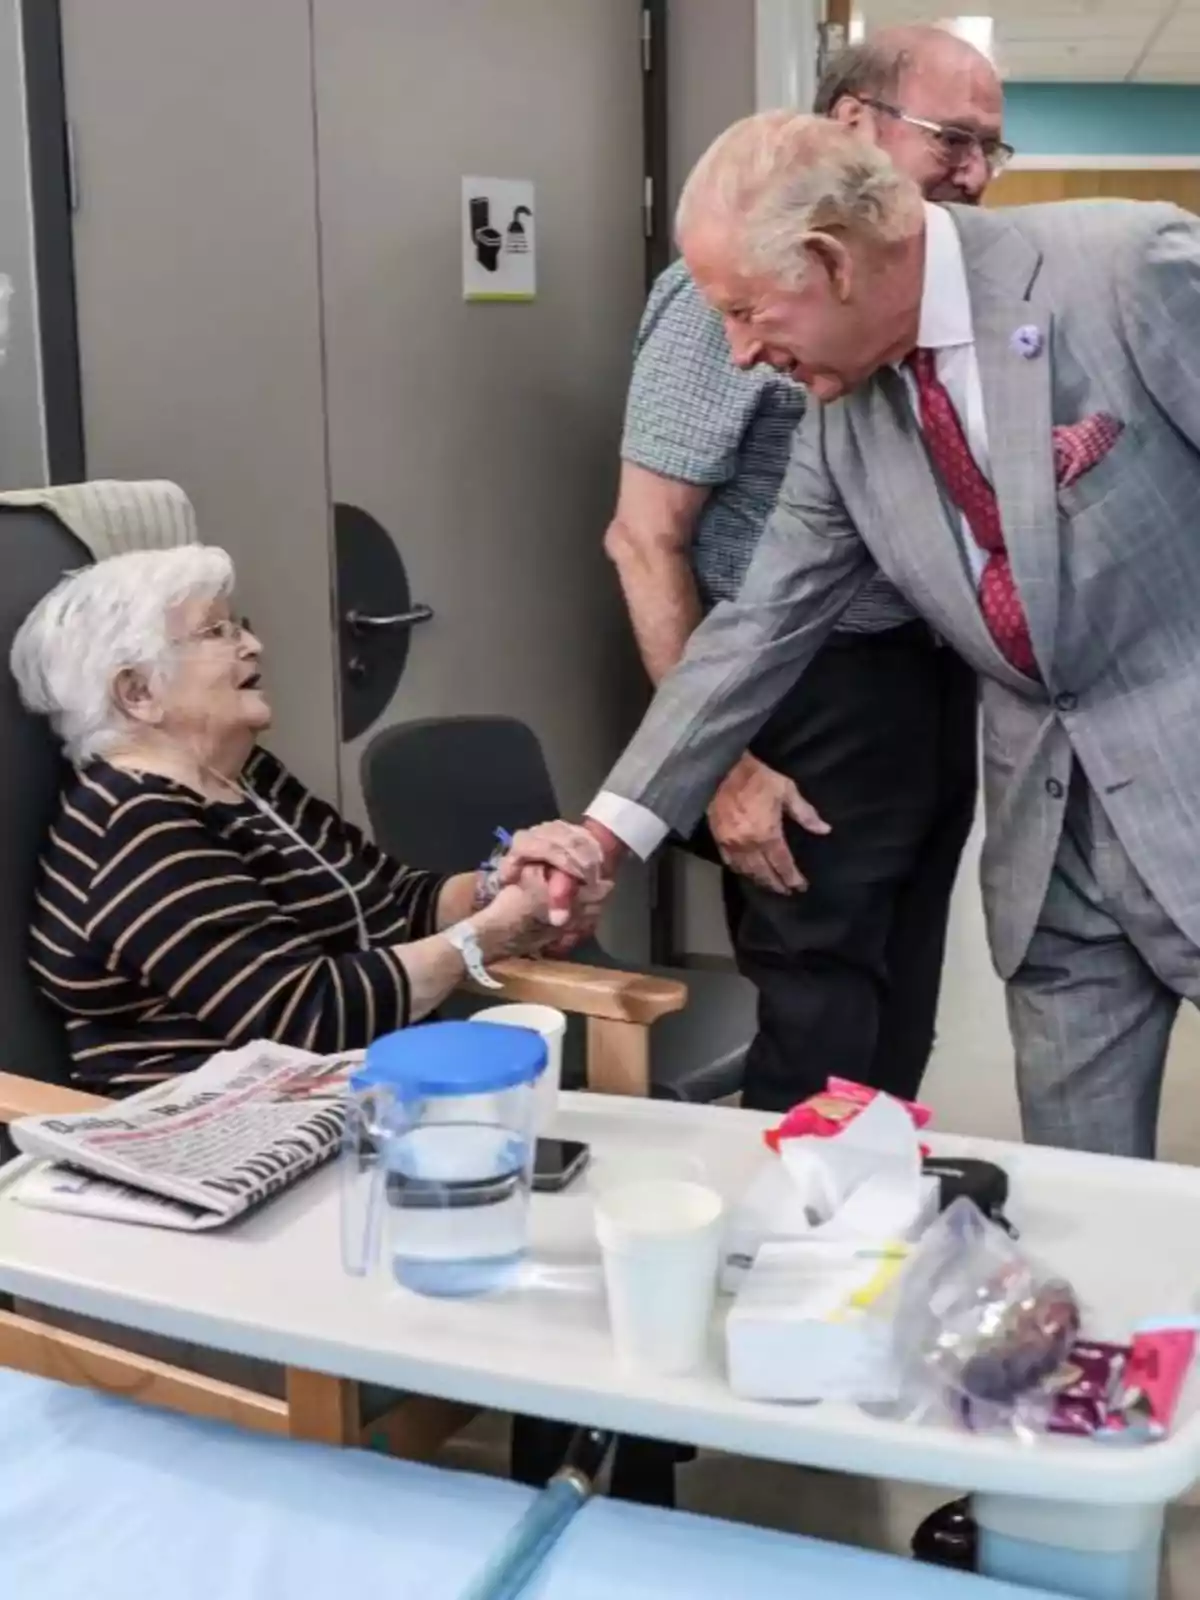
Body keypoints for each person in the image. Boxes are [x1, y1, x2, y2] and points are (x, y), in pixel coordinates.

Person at [556, 109, 1200, 1165]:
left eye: (745, 310)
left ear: (828, 263)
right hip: (1051, 848)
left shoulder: (1125, 268)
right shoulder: (845, 418)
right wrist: (604, 835)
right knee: (1080, 1192)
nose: (741, 351)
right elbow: (756, 627)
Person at [605, 27, 1002, 1111]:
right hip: (797, 681)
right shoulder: (732, 290)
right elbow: (645, 537)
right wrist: (721, 766)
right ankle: (788, 1250)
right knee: (818, 1016)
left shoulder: (927, 295)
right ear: (851, 129)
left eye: (989, 150)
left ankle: (878, 1222)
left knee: (903, 992)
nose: (971, 172)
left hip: (923, 667)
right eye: (952, 140)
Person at [10, 546, 606, 1093]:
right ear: (137, 691)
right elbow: (303, 1015)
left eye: (240, 625)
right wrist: (489, 933)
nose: (251, 645)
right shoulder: (136, 826)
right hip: (219, 1136)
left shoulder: (245, 778)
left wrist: (501, 884)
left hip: (339, 1101)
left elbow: (392, 899)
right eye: (217, 632)